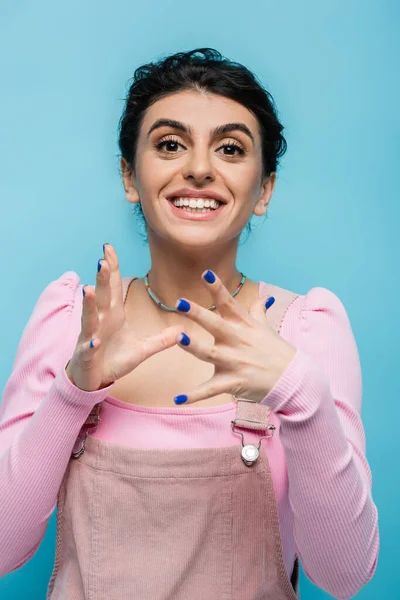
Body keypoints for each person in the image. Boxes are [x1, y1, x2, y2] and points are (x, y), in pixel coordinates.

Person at [0, 48, 379, 599]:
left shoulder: (308, 330)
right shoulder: (72, 322)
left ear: (264, 189)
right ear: (130, 176)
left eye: (230, 148)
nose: (199, 168)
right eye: (170, 144)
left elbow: (344, 577)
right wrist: (73, 391)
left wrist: (298, 391)